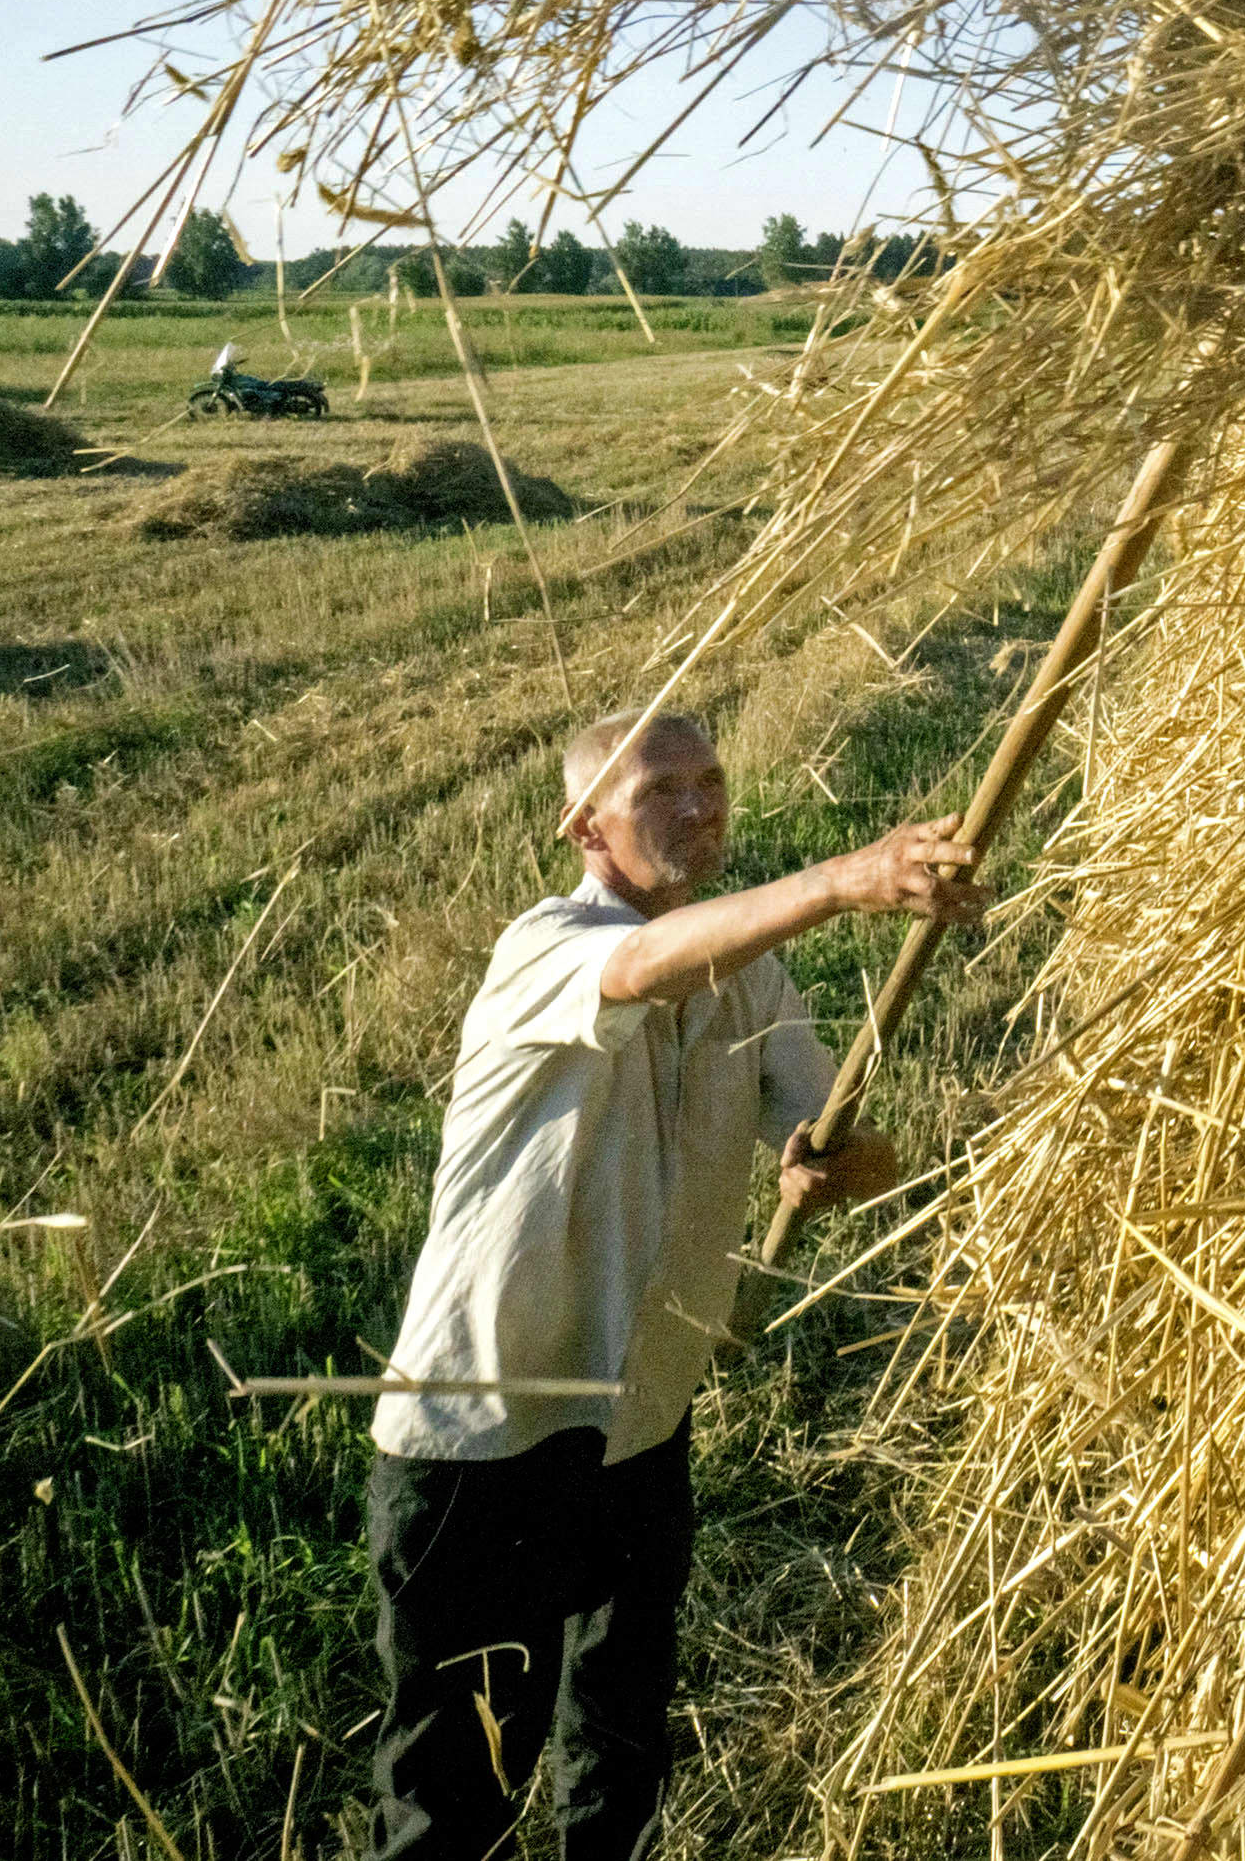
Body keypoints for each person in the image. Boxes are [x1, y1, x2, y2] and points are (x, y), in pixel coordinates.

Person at [359, 710, 981, 1858]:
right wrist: (848, 879)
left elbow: (845, 1135)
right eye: (660, 790)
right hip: (485, 1442)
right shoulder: (543, 947)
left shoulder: (751, 977)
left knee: (620, 1752)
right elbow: (642, 965)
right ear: (584, 824)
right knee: (456, 1799)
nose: (699, 807)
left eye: (712, 781)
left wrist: (833, 1160)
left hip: (642, 1427)